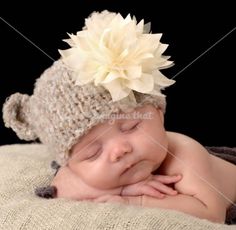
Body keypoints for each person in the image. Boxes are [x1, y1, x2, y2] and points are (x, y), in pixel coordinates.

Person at [2, 11, 236, 224]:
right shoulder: (72, 169)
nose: (119, 150)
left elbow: (210, 211)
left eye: (131, 127)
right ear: (70, 163)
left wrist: (134, 201)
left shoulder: (185, 154)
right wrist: (121, 189)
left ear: (158, 113)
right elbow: (61, 188)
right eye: (93, 153)